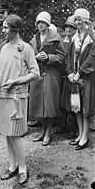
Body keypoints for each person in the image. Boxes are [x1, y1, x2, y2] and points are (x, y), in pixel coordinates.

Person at [0, 14, 40, 185]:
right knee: (7, 133)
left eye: (6, 27)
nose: (3, 30)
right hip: (2, 96)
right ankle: (12, 166)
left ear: (14, 29)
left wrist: (16, 81)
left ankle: (23, 168)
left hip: (17, 98)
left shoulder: (25, 48)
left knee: (16, 134)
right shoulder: (4, 48)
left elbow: (35, 73)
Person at [63, 8, 95, 150]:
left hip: (87, 78)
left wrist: (80, 72)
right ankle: (79, 133)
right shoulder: (74, 37)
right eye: (76, 19)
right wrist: (70, 72)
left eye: (80, 19)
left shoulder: (92, 36)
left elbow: (93, 57)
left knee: (86, 107)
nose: (77, 22)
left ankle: (85, 136)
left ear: (86, 20)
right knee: (76, 105)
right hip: (75, 77)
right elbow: (69, 57)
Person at [29, 11, 65, 146]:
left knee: (49, 103)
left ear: (48, 23)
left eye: (43, 22)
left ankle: (49, 132)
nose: (40, 25)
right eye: (38, 22)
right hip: (38, 73)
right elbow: (28, 56)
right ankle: (42, 130)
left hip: (51, 74)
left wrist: (49, 58)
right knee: (40, 103)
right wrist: (36, 57)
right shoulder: (34, 39)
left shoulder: (56, 38)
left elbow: (62, 57)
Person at [60, 16, 78, 138]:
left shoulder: (76, 41)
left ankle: (73, 129)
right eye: (67, 26)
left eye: (72, 27)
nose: (69, 29)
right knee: (61, 101)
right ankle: (61, 125)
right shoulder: (60, 40)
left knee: (72, 102)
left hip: (71, 74)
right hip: (60, 73)